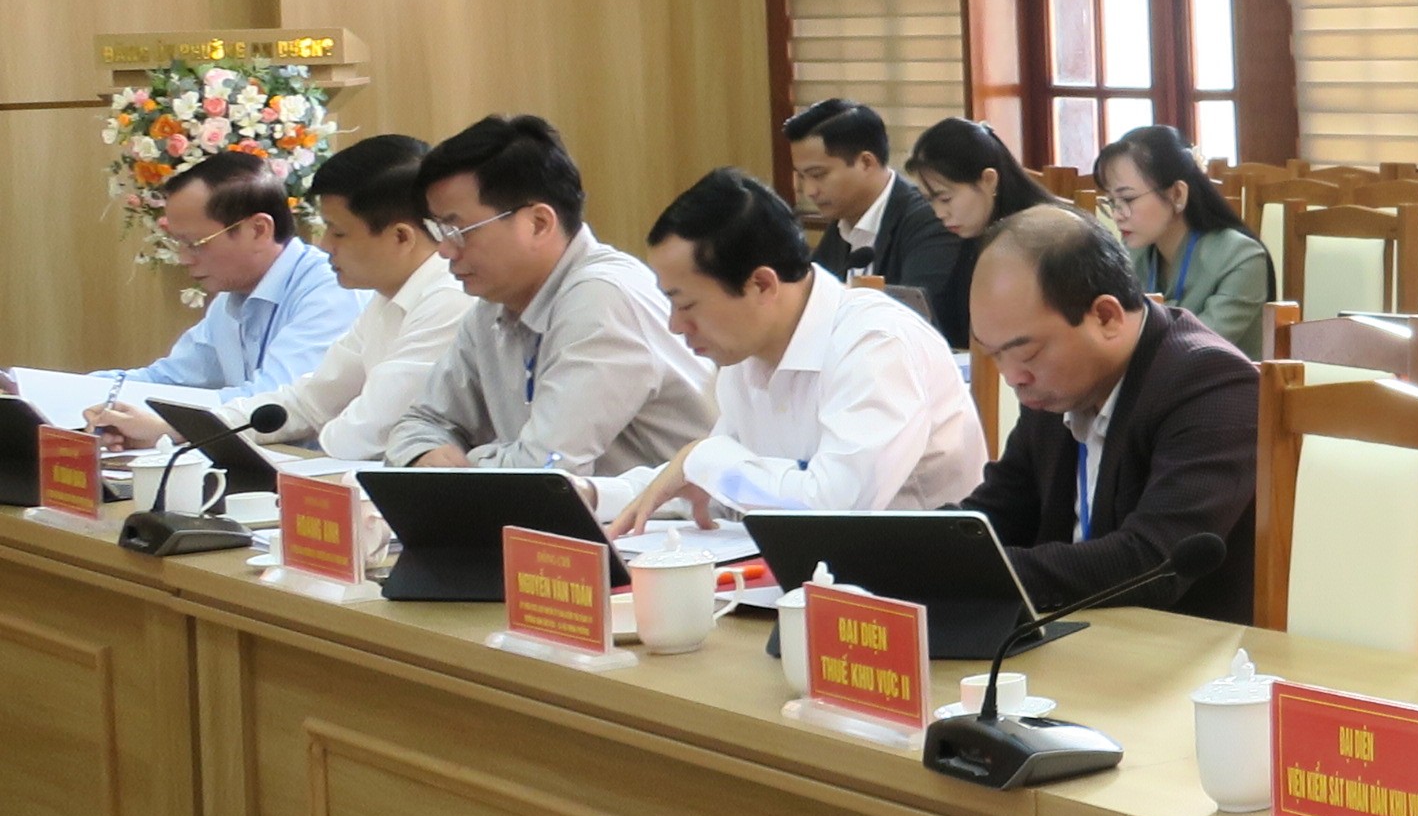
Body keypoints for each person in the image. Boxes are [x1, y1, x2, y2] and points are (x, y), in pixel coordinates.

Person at [606, 169, 988, 533]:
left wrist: (703, 461)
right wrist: (592, 495)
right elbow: (726, 491)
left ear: (761, 284)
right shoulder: (747, 352)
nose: (675, 325)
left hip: (914, 572)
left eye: (686, 305)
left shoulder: (876, 343)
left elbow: (834, 510)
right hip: (812, 569)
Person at [960, 204, 1258, 622]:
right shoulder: (1056, 389)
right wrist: (916, 548)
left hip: (1179, 644)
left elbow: (1151, 561)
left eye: (1026, 353)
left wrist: (973, 571)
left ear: (1105, 317)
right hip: (1078, 631)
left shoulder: (1211, 384)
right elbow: (1001, 508)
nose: (1012, 377)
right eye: (994, 356)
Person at [385, 115, 714, 475]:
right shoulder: (492, 307)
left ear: (538, 223)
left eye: (459, 230)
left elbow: (545, 468)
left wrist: (457, 467)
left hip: (679, 512)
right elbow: (420, 423)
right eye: (439, 231)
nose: (445, 250)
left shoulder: (604, 297)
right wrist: (422, 455)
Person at [74, 150, 362, 435]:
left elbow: (274, 404)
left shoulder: (331, 290)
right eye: (176, 243)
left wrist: (169, 426)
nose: (183, 258)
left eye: (195, 243)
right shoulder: (230, 297)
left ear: (258, 230)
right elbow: (168, 380)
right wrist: (80, 394)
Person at [258, 136, 476, 464]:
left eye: (338, 232)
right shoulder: (387, 295)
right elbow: (311, 402)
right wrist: (207, 426)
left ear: (401, 237)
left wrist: (316, 440)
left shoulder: (450, 299)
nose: (324, 245)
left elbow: (366, 434)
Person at [1096, 124, 1276, 360]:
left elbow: (1197, 350)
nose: (1117, 215)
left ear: (1177, 194)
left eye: (1127, 199)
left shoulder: (1241, 257)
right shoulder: (1131, 254)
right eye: (1111, 202)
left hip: (1215, 380)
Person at [781, 99, 958, 326]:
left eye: (818, 175)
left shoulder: (928, 220)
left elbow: (915, 320)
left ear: (866, 162)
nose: (809, 191)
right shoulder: (842, 221)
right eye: (801, 176)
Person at [900, 120, 1057, 349]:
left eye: (945, 198)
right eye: (929, 201)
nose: (939, 213)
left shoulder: (1040, 238)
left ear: (989, 180)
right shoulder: (977, 231)